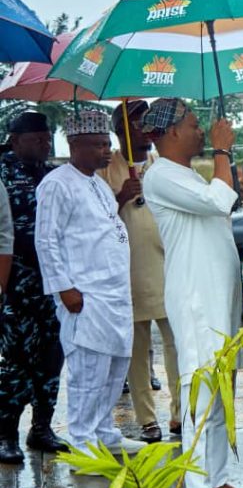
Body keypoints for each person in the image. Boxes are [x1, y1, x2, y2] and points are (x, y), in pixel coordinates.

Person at [142, 98, 243, 488]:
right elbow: (215, 202)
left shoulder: (184, 174)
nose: (201, 130)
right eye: (194, 125)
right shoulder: (160, 175)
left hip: (218, 295)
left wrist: (231, 185)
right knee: (199, 390)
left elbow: (218, 201)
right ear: (172, 132)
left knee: (219, 388)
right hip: (196, 298)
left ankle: (216, 479)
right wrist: (223, 151)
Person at [34, 111, 145, 457]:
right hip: (85, 296)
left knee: (114, 368)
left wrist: (123, 196)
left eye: (107, 144)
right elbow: (46, 241)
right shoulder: (56, 183)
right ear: (74, 145)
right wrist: (64, 288)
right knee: (88, 373)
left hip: (114, 295)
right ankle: (83, 445)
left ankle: (104, 433)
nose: (106, 151)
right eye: (97, 145)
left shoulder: (96, 182)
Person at [97, 101, 181, 443]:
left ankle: (180, 414)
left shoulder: (162, 164)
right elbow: (96, 222)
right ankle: (148, 419)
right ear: (120, 132)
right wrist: (119, 197)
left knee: (177, 344)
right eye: (135, 123)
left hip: (166, 267)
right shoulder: (107, 170)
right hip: (127, 271)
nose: (143, 129)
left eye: (146, 123)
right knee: (137, 346)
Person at [0, 112, 68, 463]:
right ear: (15, 140)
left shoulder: (51, 174)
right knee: (15, 363)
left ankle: (42, 428)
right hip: (16, 287)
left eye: (47, 138)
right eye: (38, 139)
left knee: (51, 359)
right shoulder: (2, 174)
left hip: (51, 286)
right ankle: (5, 433)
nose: (45, 144)